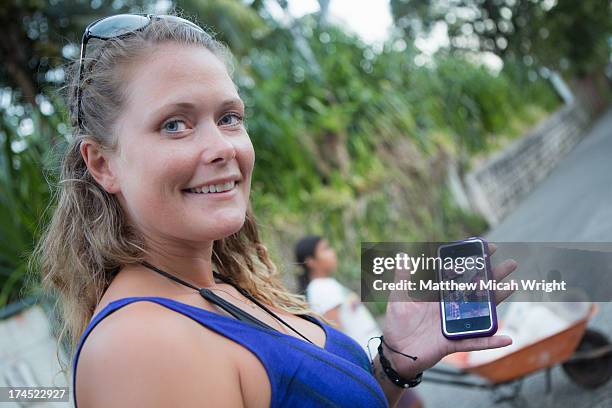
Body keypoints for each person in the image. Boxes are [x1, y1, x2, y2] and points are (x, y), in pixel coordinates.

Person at [30, 11, 518, 408]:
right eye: (175, 125)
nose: (222, 147)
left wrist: (393, 363)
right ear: (102, 164)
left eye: (229, 117)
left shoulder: (217, 289)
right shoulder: (141, 348)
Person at [295, 235, 424, 408]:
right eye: (325, 249)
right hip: (373, 364)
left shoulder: (325, 285)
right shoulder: (321, 288)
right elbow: (336, 333)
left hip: (374, 360)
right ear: (310, 261)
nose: (332, 252)